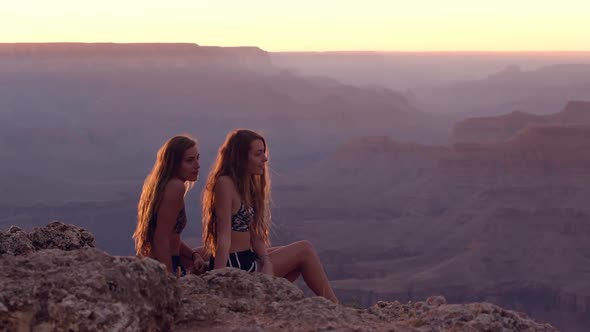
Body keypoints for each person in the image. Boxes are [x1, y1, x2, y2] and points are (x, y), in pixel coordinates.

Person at [202, 129, 338, 302]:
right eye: (258, 154)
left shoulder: (247, 185)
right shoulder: (225, 183)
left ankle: (264, 300)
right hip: (235, 265)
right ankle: (335, 306)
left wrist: (267, 262)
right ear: (241, 156)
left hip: (248, 258)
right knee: (305, 250)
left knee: (295, 263)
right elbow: (223, 239)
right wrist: (218, 281)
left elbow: (256, 236)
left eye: (264, 153)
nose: (265, 159)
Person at [133, 135, 207, 277]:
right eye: (189, 161)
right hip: (165, 263)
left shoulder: (163, 185)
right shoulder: (176, 187)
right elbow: (160, 238)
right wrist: (169, 279)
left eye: (197, 158)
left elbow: (172, 236)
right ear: (174, 164)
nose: (197, 165)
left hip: (163, 261)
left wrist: (194, 255)